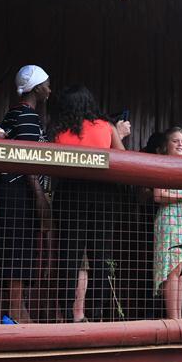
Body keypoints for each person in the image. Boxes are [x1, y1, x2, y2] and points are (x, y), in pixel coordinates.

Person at [51, 84, 131, 322]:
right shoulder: (106, 127)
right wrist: (120, 133)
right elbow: (123, 157)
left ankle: (68, 314)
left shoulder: (59, 130)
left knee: (69, 256)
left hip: (70, 194)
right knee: (100, 257)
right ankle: (95, 315)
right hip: (102, 196)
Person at [0, 65, 51, 324]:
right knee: (17, 250)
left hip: (8, 190)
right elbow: (28, 162)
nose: (49, 89)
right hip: (19, 191)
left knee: (15, 248)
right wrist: (39, 198)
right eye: (46, 84)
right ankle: (15, 312)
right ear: (37, 89)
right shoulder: (28, 117)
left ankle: (16, 309)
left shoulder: (15, 113)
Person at [152, 127, 182, 319]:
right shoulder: (161, 164)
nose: (180, 144)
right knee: (173, 268)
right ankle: (174, 320)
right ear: (166, 146)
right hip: (168, 220)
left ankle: (178, 318)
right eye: (175, 141)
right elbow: (158, 195)